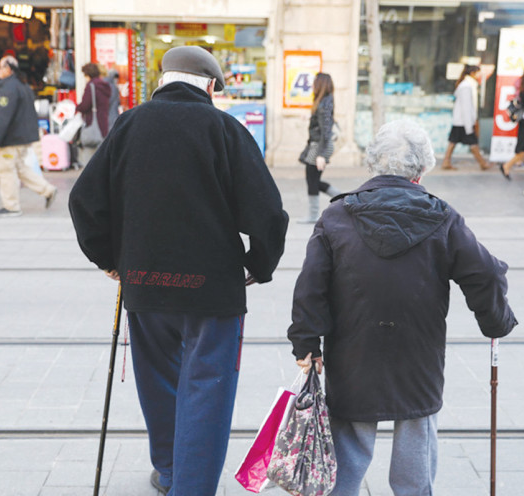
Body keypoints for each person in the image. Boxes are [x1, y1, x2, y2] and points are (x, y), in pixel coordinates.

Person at [68, 46, 289, 496]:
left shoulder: (129, 124)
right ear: (210, 86)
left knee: (158, 381)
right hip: (212, 290)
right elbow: (268, 215)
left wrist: (109, 258)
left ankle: (169, 470)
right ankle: (190, 487)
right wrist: (258, 266)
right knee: (206, 390)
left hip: (145, 286)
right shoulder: (224, 129)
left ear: (163, 80)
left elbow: (84, 202)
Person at [287, 120, 517, 496]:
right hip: (418, 352)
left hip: (353, 350)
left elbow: (311, 285)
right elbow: (486, 273)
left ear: (373, 164)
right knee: (416, 433)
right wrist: (495, 321)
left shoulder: (336, 216)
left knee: (348, 438)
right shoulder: (442, 217)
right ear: (423, 168)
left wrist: (306, 343)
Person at [0, 55, 57, 217]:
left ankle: (11, 206)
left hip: (11, 139)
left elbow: (2, 118)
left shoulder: (8, 90)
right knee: (21, 168)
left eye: (0, 67)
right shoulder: (22, 86)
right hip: (22, 138)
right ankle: (48, 190)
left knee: (6, 170)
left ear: (8, 69)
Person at [298, 72, 341, 223]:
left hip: (320, 146)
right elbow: (323, 122)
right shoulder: (324, 100)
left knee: (312, 178)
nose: (312, 85)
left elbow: (326, 129)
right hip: (318, 144)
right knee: (313, 179)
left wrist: (321, 154)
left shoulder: (324, 102)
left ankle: (314, 215)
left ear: (321, 84)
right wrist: (310, 117)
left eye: (315, 82)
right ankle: (342, 199)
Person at [442, 65, 490, 171]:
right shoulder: (467, 86)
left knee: (453, 142)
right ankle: (482, 163)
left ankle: (446, 161)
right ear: (472, 73)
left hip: (460, 121)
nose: (479, 75)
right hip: (464, 122)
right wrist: (469, 125)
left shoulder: (466, 85)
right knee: (472, 143)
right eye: (478, 73)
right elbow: (467, 107)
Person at [75, 62, 111, 164]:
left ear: (88, 74)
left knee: (89, 156)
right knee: (101, 153)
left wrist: (77, 107)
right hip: (103, 122)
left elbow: (86, 105)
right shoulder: (105, 86)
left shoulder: (91, 86)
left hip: (93, 123)